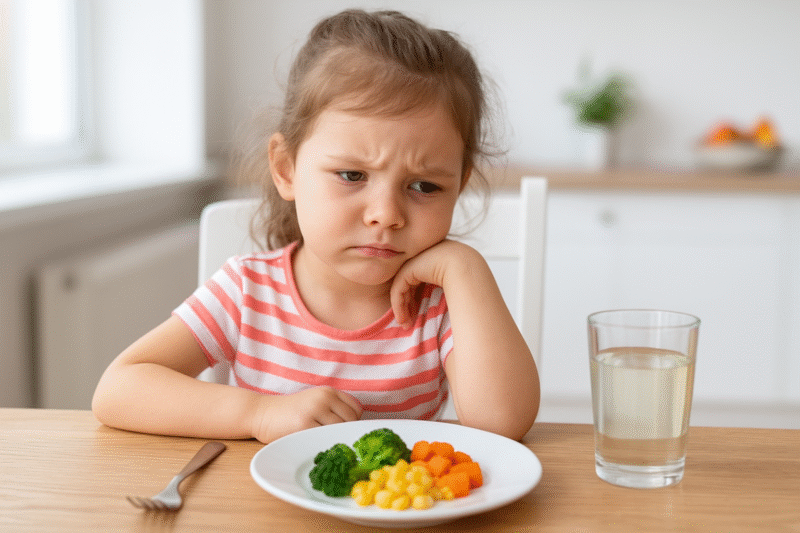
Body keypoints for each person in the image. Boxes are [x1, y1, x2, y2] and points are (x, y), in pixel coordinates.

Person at [92, 9, 540, 443]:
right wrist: (257, 412)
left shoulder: (440, 306)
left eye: (424, 186)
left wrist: (464, 267)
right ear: (286, 169)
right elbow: (118, 389)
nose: (385, 214)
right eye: (352, 176)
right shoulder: (247, 290)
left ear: (458, 186)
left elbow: (500, 422)